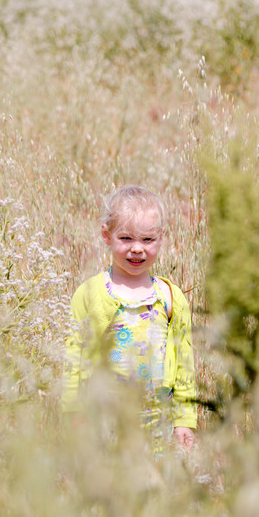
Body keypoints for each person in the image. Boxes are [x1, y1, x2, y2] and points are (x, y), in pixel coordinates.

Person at [62, 185, 197, 452]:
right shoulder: (89, 295)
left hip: (159, 424)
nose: (137, 249)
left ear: (161, 238)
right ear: (106, 235)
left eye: (147, 240)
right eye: (126, 238)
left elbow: (185, 364)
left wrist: (184, 420)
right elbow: (72, 361)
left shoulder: (170, 298)